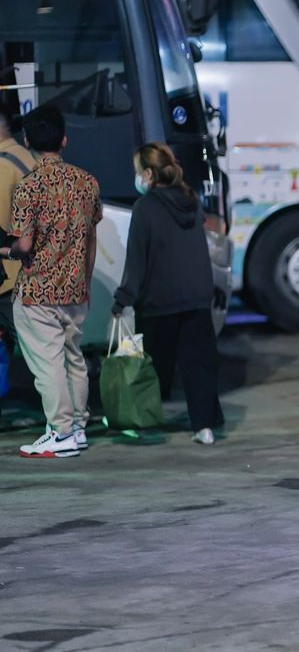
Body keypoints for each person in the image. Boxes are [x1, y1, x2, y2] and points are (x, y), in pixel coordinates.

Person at [112, 143, 224, 445]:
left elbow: (138, 260)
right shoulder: (191, 200)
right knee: (198, 365)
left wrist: (123, 298)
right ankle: (205, 427)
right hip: (198, 296)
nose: (137, 177)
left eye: (138, 171)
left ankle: (141, 420)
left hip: (159, 300)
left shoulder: (145, 207)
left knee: (150, 365)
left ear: (148, 173)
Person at [9, 107, 102, 459]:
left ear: (28, 141)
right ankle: (77, 428)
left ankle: (59, 432)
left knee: (48, 365)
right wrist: (86, 282)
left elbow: (25, 245)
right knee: (73, 359)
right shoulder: (87, 182)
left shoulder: (29, 186)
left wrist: (8, 248)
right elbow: (91, 237)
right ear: (64, 139)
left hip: (38, 292)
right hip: (76, 289)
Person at [0, 103, 36, 365]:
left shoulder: (3, 166)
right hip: (32, 273)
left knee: (35, 356)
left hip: (9, 279)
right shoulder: (26, 156)